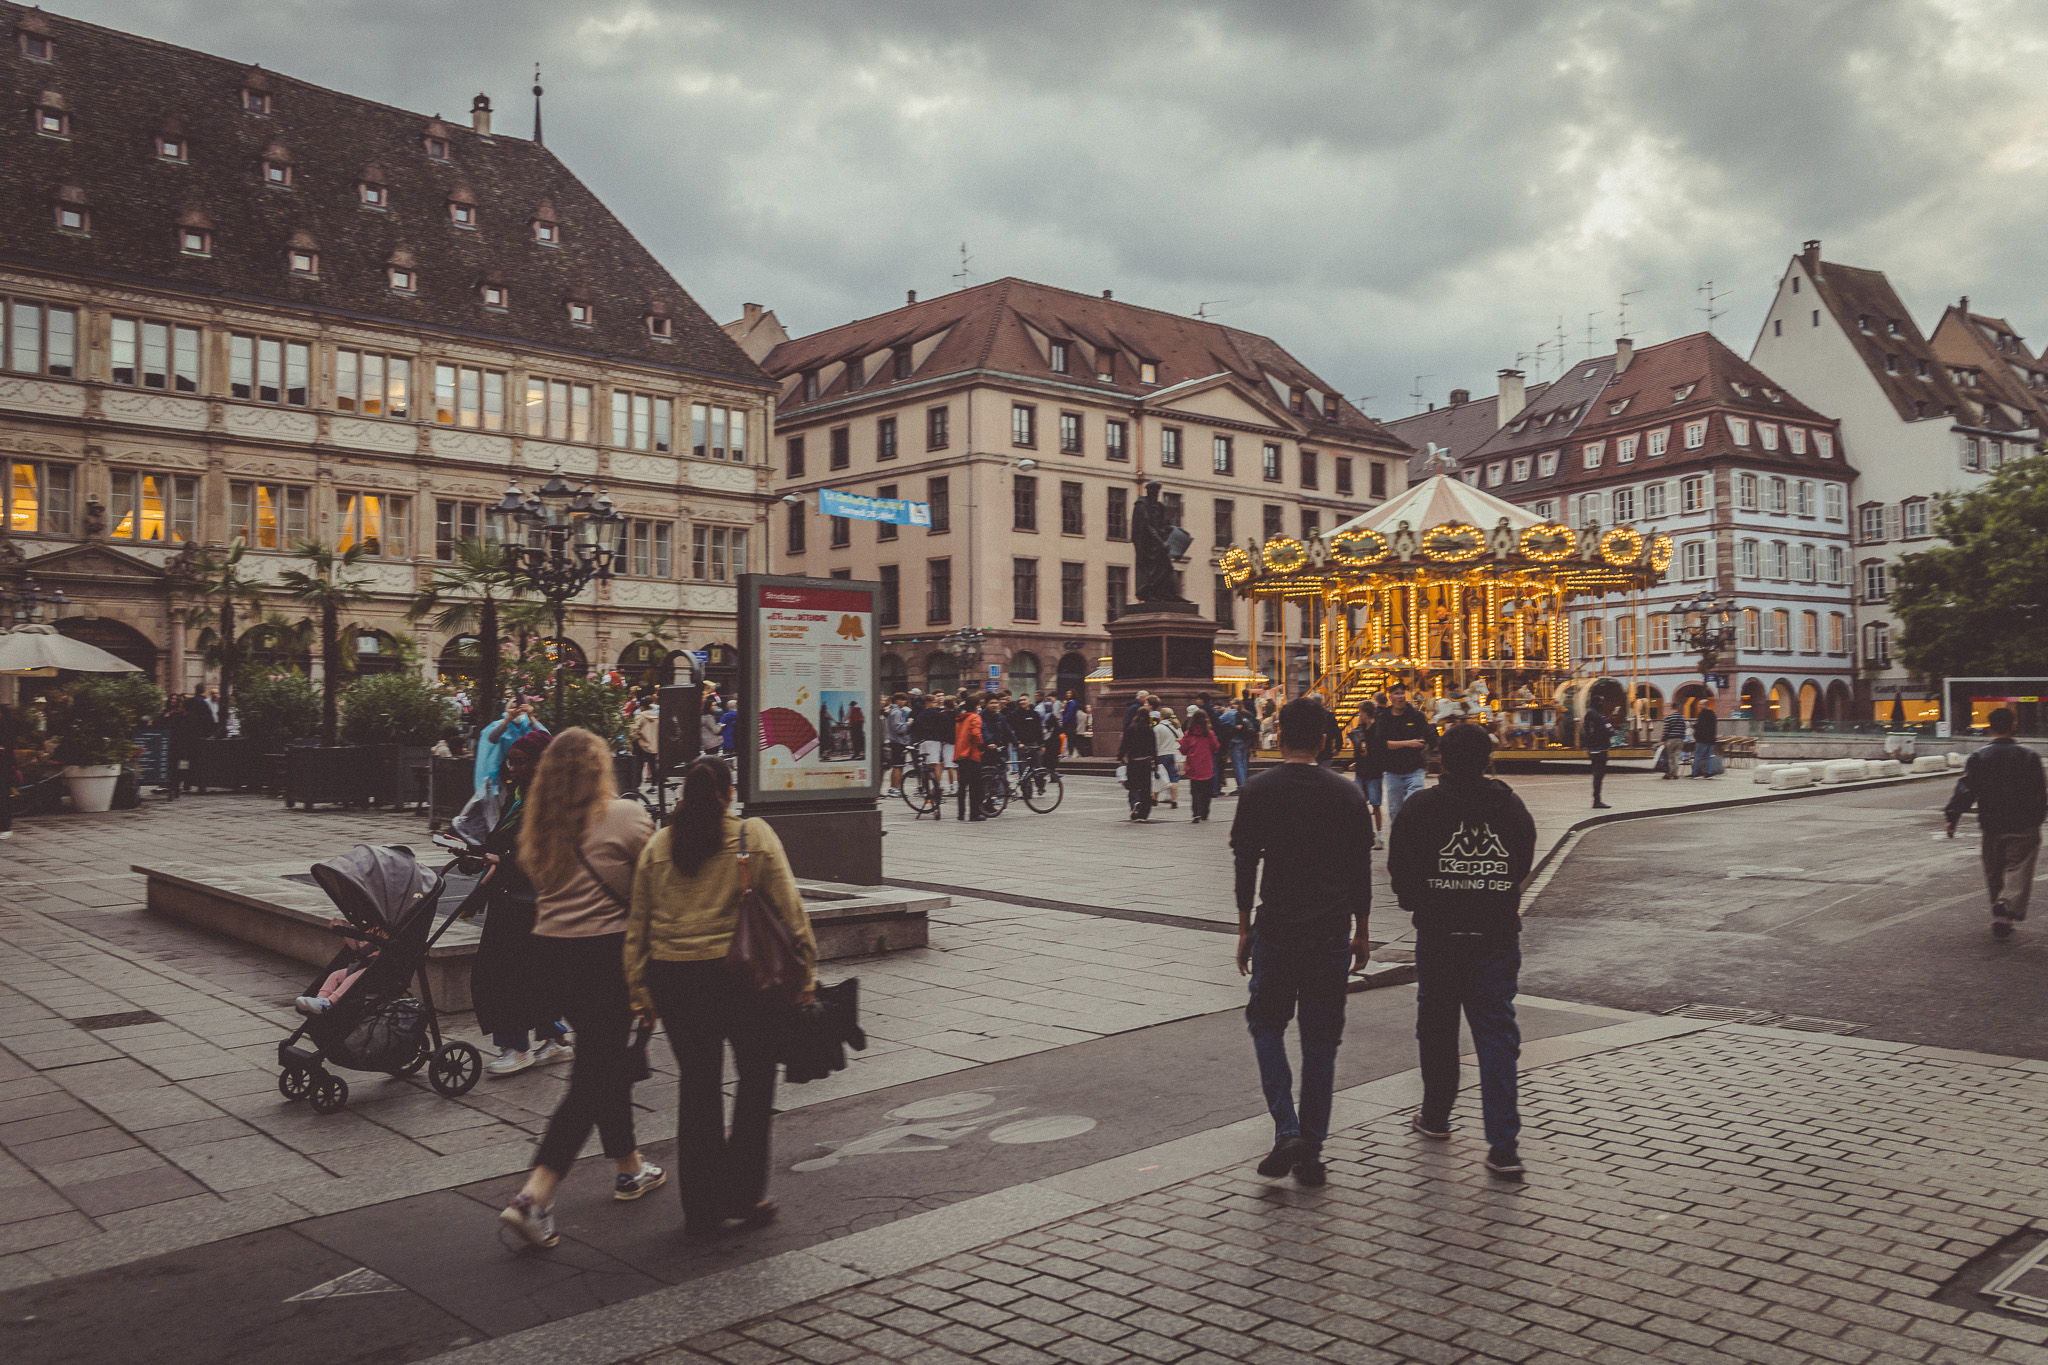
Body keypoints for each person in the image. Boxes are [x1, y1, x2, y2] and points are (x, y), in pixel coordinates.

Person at [625, 757, 817, 1237]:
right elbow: (790, 908)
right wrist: (806, 973)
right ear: (730, 794)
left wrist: (639, 991)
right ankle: (746, 1192)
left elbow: (638, 926)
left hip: (675, 979)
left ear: (685, 797)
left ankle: (701, 1207)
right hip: (740, 977)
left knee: (698, 1086)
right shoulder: (753, 836)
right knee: (755, 1079)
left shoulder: (658, 846)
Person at [498, 729, 663, 1250]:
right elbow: (654, 883)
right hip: (606, 955)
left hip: (550, 955)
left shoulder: (539, 826)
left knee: (601, 1058)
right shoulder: (627, 815)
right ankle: (536, 1195)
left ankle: (629, 1167)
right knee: (593, 1074)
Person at [1229, 698, 1372, 1188]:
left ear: (1281, 735)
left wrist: (1245, 926)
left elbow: (1245, 863)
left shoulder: (1257, 790)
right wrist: (1363, 927)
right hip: (1330, 931)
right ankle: (1310, 1149)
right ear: (1324, 740)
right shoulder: (1347, 795)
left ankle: (1287, 1129)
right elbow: (1360, 868)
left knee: (1266, 1026)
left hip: (1277, 927)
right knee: (1321, 1041)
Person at [1388, 723, 1538, 1179]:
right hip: (1494, 935)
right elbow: (1521, 865)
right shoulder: (1512, 808)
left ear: (1442, 763)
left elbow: (1401, 872)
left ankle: (1436, 1116)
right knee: (1495, 1035)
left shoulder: (1420, 807)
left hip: (1439, 937)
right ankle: (1503, 1146)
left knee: (1436, 1029)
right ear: (1488, 761)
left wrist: (1424, 900)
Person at [471, 732, 573, 1078]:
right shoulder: (520, 798)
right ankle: (554, 1038)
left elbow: (543, 856)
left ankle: (515, 1047)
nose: (511, 767)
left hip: (528, 901)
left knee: (506, 975)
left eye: (519, 761)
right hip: (514, 898)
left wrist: (501, 858)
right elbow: (503, 841)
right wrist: (475, 851)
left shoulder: (549, 803)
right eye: (509, 761)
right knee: (532, 974)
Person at [1944, 706, 2047, 939]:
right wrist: (2037, 818)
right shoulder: (2030, 756)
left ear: (1990, 728)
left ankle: (2001, 916)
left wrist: (1953, 817)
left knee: (1995, 870)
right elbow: (2040, 792)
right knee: (2018, 868)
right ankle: (2007, 904)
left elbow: (1966, 789)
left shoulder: (1979, 757)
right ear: (2013, 726)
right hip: (2024, 825)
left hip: (1992, 824)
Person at [1373, 684, 1436, 828]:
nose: (1400, 696)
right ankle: (1398, 837)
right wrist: (1409, 743)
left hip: (1414, 769)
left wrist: (1427, 748)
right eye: (1396, 693)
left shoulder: (1416, 716)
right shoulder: (1383, 718)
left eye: (1402, 693)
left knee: (1413, 803)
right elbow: (1381, 744)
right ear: (1390, 698)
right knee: (1395, 809)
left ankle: (1412, 833)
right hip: (1392, 770)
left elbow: (1430, 736)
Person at [476, 700, 547, 796]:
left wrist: (531, 716)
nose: (517, 711)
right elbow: (492, 738)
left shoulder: (529, 725)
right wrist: (508, 720)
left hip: (528, 771)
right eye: (513, 708)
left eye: (520, 709)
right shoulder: (500, 725)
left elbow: (546, 737)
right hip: (506, 772)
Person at [1349, 700, 1386, 850]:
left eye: (1360, 712)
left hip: (1374, 772)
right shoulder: (1361, 729)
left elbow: (1379, 750)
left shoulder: (1377, 729)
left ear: (1365, 713)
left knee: (1376, 804)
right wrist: (1355, 761)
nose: (1359, 715)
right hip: (1361, 771)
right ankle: (1367, 832)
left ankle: (1379, 836)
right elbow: (1359, 749)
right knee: (1359, 803)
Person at [1179, 711, 1222, 824]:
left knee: (1195, 791)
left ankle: (1196, 812)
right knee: (1206, 791)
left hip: (1193, 766)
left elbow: (1183, 749)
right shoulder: (1209, 734)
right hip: (1206, 765)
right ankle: (1205, 812)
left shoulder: (1188, 733)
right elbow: (1216, 746)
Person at [1118, 709, 1158, 821]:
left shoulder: (1130, 729)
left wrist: (1120, 757)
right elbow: (1153, 748)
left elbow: (1124, 744)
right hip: (1145, 762)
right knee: (1146, 787)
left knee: (1133, 785)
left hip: (1133, 762)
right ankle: (1143, 814)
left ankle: (1135, 802)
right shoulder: (1149, 730)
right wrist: (1156, 762)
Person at [953, 695, 986, 821]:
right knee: (974, 786)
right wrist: (982, 746)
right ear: (976, 706)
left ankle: (961, 814)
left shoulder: (960, 718)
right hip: (972, 754)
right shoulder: (975, 717)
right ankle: (974, 814)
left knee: (962, 786)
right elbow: (975, 733)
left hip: (960, 754)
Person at [1582, 701, 1615, 809]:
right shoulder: (1600, 717)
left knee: (1596, 773)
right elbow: (1610, 731)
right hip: (1601, 749)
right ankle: (1597, 800)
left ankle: (1596, 799)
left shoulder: (1588, 716)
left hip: (1591, 748)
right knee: (1599, 774)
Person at [1151, 704, 1182, 809]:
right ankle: (1174, 801)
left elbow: (1155, 743)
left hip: (1161, 755)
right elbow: (1181, 739)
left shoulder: (1158, 728)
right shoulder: (1177, 726)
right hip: (1174, 754)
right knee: (1174, 778)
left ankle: (1154, 798)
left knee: (1158, 776)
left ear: (1161, 716)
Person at [884, 694, 913, 795]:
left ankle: (894, 787)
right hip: (898, 742)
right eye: (903, 700)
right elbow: (899, 728)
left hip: (893, 741)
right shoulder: (897, 712)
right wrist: (909, 723)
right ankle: (894, 788)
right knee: (898, 766)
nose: (905, 702)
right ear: (897, 701)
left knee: (897, 766)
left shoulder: (891, 710)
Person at [629, 697, 661, 788]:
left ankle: (637, 785)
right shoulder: (656, 717)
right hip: (653, 743)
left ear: (642, 707)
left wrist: (635, 738)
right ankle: (654, 785)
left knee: (639, 766)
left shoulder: (640, 716)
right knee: (653, 765)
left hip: (641, 743)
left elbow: (634, 729)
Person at [1657, 707, 1687, 781]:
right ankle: (1675, 774)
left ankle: (1670, 774)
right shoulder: (1682, 718)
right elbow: (1684, 728)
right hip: (1679, 739)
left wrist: (1663, 740)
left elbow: (1666, 729)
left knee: (1670, 758)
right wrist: (1682, 738)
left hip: (1670, 739)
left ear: (1672, 709)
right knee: (1677, 757)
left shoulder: (1669, 718)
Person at [1691, 702, 1718, 778]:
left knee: (1698, 756)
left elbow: (1701, 726)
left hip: (1702, 739)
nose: (1699, 706)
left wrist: (1694, 725)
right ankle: (1709, 772)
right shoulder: (1713, 714)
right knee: (1709, 756)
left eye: (1701, 704)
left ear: (1706, 705)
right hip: (1711, 739)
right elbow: (1714, 727)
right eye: (1699, 704)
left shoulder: (1702, 714)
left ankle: (1694, 773)